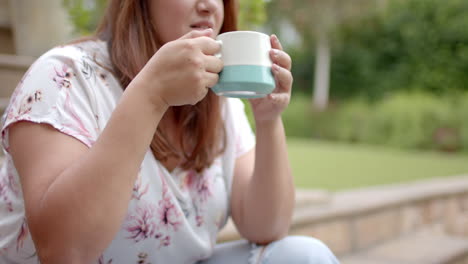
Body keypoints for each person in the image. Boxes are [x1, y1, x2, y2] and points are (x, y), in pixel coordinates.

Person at [0, 0, 340, 263]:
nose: (209, 4)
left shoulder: (219, 100)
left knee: (304, 256)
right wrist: (151, 96)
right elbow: (63, 250)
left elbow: (267, 227)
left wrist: (268, 120)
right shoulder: (66, 76)